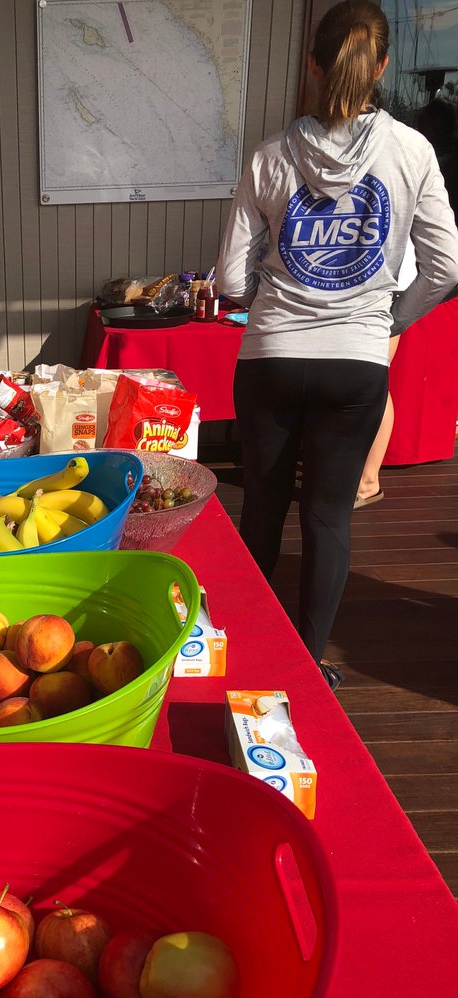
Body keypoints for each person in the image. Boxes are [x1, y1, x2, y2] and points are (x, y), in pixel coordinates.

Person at [216, 0, 458, 690]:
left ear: (313, 66)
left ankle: (245, 648)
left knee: (261, 506)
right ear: (383, 66)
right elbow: (445, 265)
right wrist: (388, 322)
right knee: (327, 516)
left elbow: (233, 279)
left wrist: (272, 290)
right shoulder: (413, 153)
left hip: (272, 358)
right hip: (355, 364)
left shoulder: (267, 158)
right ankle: (308, 662)